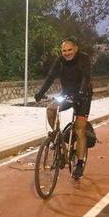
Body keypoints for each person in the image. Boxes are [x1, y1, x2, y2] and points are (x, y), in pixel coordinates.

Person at [34, 39, 93, 179]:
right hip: (66, 94)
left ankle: (79, 163)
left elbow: (86, 77)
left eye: (69, 50)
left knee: (79, 130)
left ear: (76, 48)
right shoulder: (60, 61)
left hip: (83, 95)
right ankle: (60, 141)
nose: (67, 53)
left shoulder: (84, 58)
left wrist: (81, 93)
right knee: (50, 109)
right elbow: (50, 77)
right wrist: (40, 93)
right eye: (64, 51)